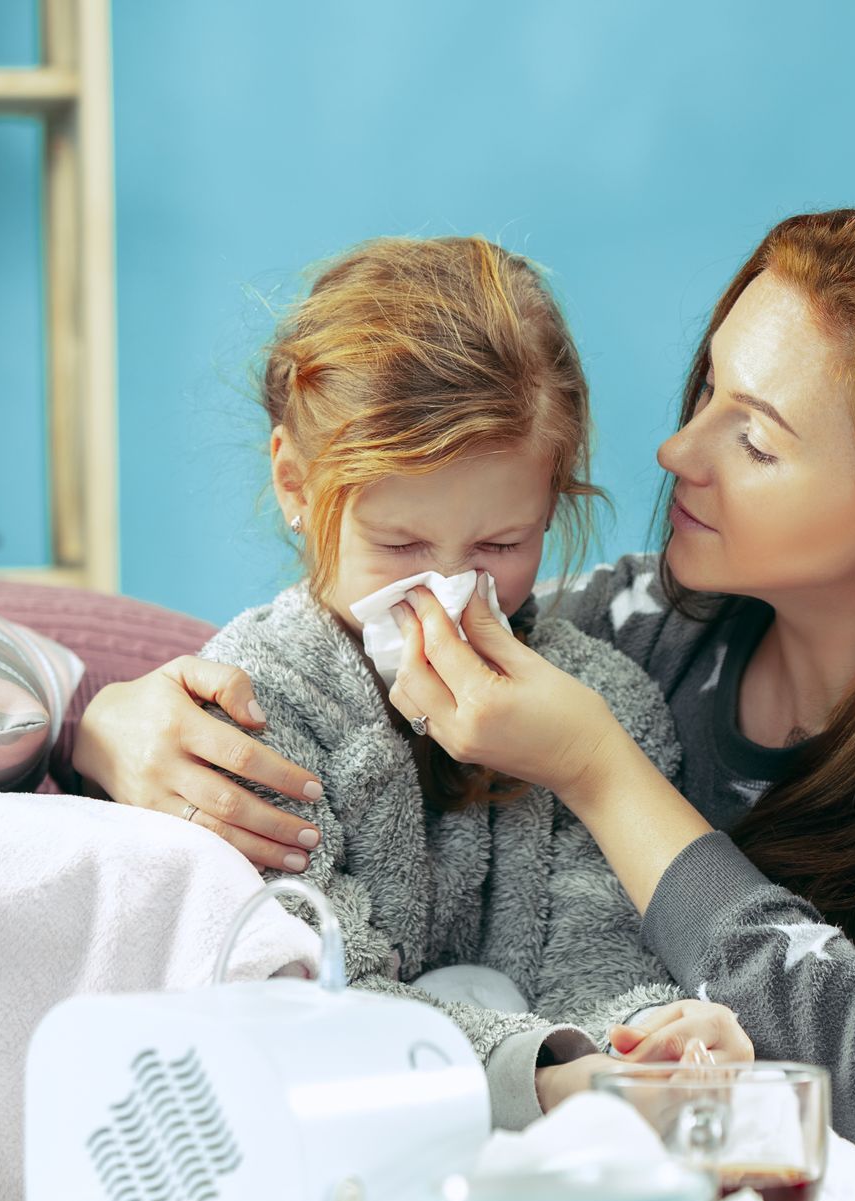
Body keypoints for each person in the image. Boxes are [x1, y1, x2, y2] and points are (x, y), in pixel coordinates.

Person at [74, 207, 855, 1194]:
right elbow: (327, 642)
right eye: (708, 385)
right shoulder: (647, 627)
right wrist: (109, 726)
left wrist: (603, 770)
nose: (675, 447)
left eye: (753, 436)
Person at [187, 234, 751, 1130]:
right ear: (296, 483)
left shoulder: (602, 702)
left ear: (554, 502)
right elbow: (310, 992)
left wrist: (653, 1041)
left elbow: (596, 958)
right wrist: (549, 1081)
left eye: (499, 547)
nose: (447, 595)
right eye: (400, 546)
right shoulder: (252, 707)